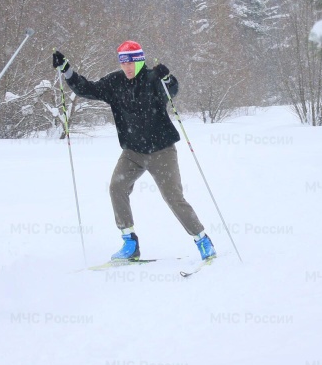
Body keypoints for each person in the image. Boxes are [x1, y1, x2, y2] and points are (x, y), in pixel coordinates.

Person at [52, 41, 216, 262]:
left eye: (132, 62)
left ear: (140, 61)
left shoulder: (152, 78)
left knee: (173, 197)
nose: (127, 67)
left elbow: (171, 91)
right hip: (133, 152)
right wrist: (67, 70)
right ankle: (130, 243)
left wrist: (167, 78)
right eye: (123, 62)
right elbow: (87, 89)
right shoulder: (114, 82)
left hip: (162, 151)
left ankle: (202, 239)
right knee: (116, 187)